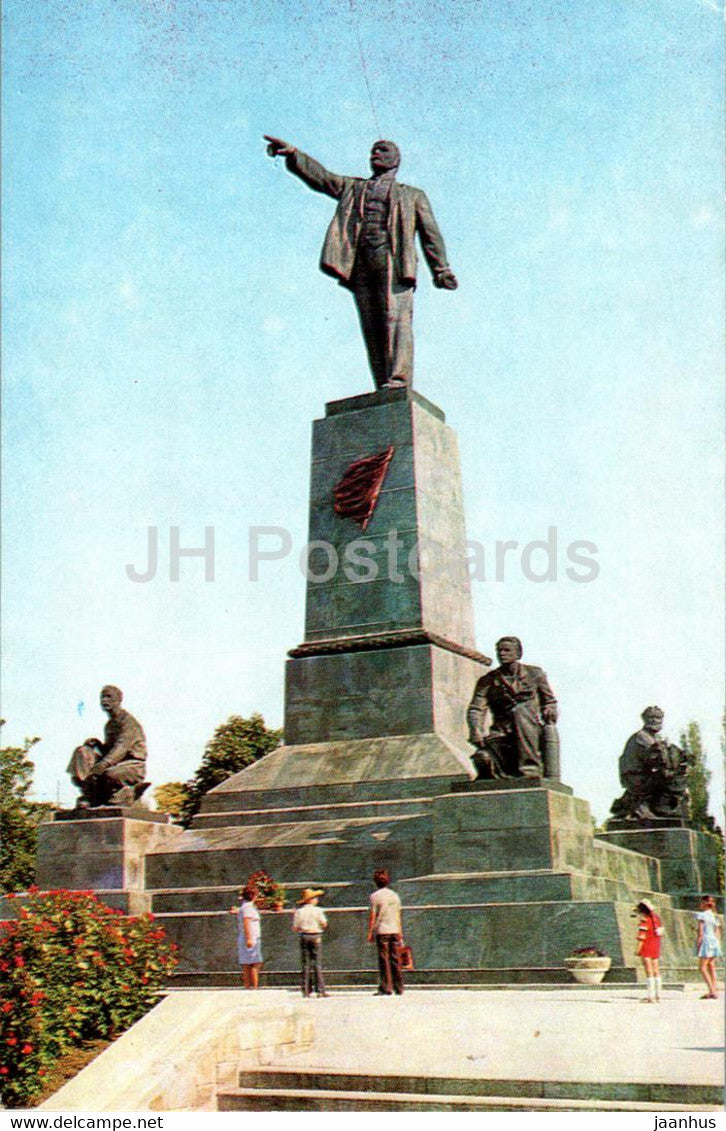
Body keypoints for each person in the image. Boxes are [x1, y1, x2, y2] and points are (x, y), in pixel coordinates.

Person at [263, 135, 458, 390]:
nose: (375, 153)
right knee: (372, 326)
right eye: (373, 151)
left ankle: (399, 379)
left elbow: (431, 234)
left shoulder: (412, 195)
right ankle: (383, 384)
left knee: (396, 322)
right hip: (362, 262)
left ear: (396, 160)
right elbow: (322, 177)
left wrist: (441, 270)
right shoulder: (353, 188)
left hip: (394, 263)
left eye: (382, 150)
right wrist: (294, 155)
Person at [467, 637, 559, 779]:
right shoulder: (488, 681)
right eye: (499, 651)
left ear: (518, 654)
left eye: (507, 650)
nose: (502, 654)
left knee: (520, 711)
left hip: (530, 731)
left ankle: (530, 768)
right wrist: (475, 730)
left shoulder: (535, 674)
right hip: (501, 734)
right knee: (482, 759)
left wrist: (550, 709)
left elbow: (549, 701)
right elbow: (476, 709)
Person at [67, 685, 148, 807]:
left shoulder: (128, 722)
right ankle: (89, 794)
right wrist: (98, 745)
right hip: (113, 762)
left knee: (109, 775)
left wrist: (103, 764)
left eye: (109, 696)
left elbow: (121, 748)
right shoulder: (109, 725)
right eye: (102, 697)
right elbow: (110, 751)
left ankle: (123, 795)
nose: (104, 700)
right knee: (82, 752)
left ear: (119, 699)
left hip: (132, 766)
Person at [610, 707, 688, 821]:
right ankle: (660, 807)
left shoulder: (654, 737)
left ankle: (661, 805)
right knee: (670, 777)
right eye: (652, 718)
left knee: (675, 775)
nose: (655, 721)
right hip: (637, 778)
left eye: (658, 718)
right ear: (645, 719)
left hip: (644, 776)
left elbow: (668, 756)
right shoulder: (642, 736)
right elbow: (657, 756)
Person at [367, 868, 404, 996]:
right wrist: (400, 932)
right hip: (395, 929)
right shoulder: (394, 895)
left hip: (382, 930)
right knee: (395, 959)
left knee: (384, 960)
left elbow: (373, 916)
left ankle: (386, 987)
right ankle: (399, 987)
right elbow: (398, 914)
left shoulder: (374, 897)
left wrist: (370, 933)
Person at [292, 888, 329, 998]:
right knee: (317, 963)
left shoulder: (299, 911)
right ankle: (320, 990)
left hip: (304, 935)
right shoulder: (318, 911)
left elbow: (295, 927)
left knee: (305, 963)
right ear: (312, 899)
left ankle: (306, 990)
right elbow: (324, 923)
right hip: (316, 935)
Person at [233, 885, 263, 990]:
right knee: (253, 963)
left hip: (250, 937)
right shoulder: (248, 908)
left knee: (249, 963)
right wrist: (249, 938)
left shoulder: (246, 906)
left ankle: (249, 986)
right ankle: (253, 987)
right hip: (251, 937)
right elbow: (247, 922)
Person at [635, 899, 664, 1003]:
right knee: (656, 971)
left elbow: (641, 936)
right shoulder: (656, 919)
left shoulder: (645, 921)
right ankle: (658, 995)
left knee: (649, 972)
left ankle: (650, 996)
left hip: (646, 946)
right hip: (655, 946)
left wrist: (637, 949)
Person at [695, 895, 722, 1000]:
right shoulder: (714, 916)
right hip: (714, 942)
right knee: (711, 966)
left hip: (706, 941)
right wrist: (717, 944)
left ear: (705, 904)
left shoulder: (702, 915)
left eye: (701, 903)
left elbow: (700, 933)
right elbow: (717, 932)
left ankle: (712, 991)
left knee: (702, 968)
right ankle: (714, 990)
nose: (700, 905)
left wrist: (699, 945)